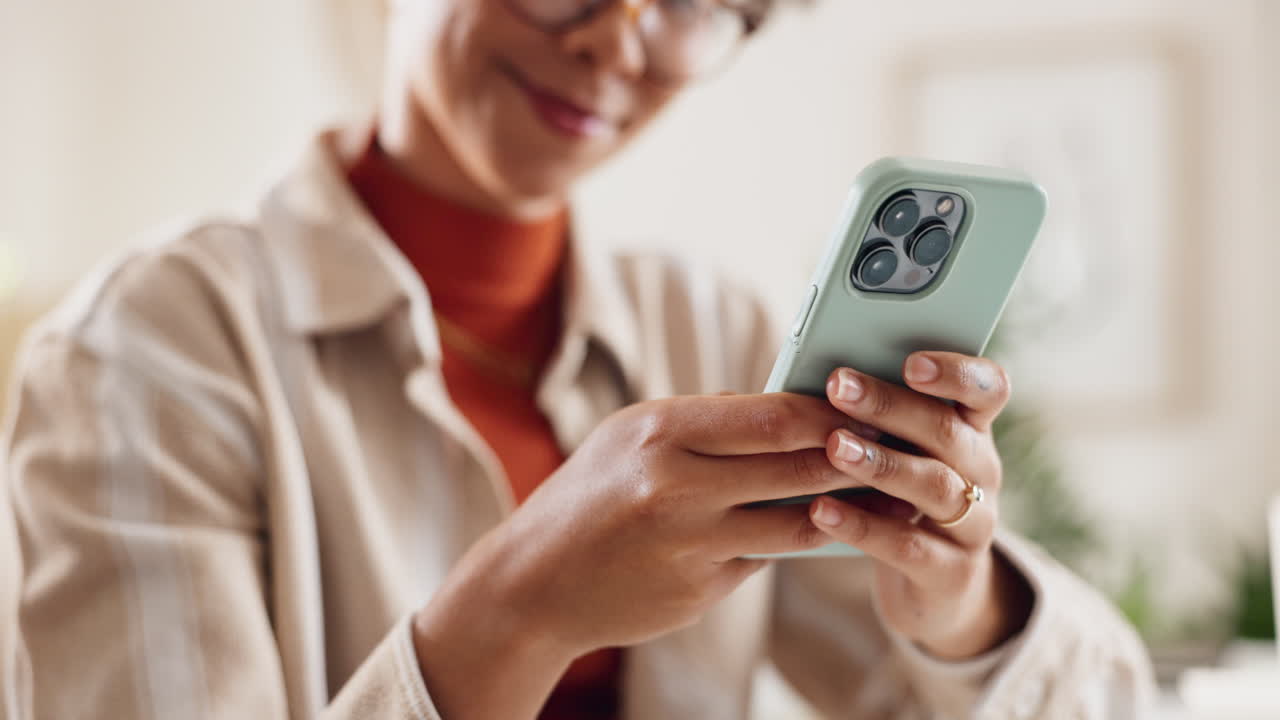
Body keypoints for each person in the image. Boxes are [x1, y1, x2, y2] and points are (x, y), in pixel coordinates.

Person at [1, 0, 1155, 718]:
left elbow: (1108, 702)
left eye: (694, 2)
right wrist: (514, 614)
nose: (617, 38)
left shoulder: (713, 331)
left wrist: (962, 605)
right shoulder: (142, 356)